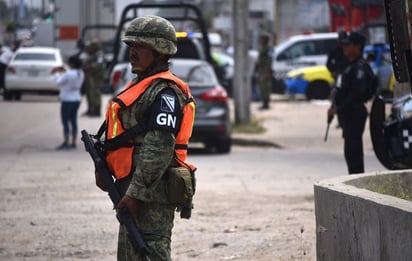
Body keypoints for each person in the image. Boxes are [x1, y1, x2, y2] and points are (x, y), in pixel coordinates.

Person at [94, 15, 196, 260]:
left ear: (161, 51)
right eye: (131, 46)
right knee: (130, 253)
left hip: (152, 194)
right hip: (132, 189)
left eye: (140, 46)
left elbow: (159, 148)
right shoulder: (141, 86)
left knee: (149, 252)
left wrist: (135, 194)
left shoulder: (165, 93)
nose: (133, 52)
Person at [327, 31, 373, 174]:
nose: (345, 48)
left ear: (357, 47)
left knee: (354, 154)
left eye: (349, 45)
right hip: (347, 115)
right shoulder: (349, 66)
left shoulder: (359, 68)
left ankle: (357, 188)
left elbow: (355, 95)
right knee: (350, 153)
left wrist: (338, 109)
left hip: (354, 113)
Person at [52, 55, 84, 150]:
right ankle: (73, 141)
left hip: (67, 99)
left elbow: (59, 82)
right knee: (73, 120)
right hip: (77, 98)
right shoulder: (80, 73)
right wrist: (64, 71)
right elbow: (69, 75)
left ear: (72, 64)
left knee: (65, 120)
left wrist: (56, 73)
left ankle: (66, 141)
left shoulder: (69, 74)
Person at [82, 40, 105, 117]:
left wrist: (90, 66)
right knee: (89, 92)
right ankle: (90, 109)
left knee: (95, 92)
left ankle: (96, 110)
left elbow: (100, 64)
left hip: (96, 76)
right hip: (89, 76)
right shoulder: (90, 54)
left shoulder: (99, 54)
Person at [255, 32, 273, 110]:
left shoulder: (268, 49)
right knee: (262, 86)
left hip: (265, 70)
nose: (260, 41)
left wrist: (267, 70)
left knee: (266, 87)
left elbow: (269, 60)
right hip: (261, 70)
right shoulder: (262, 48)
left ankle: (266, 103)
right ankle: (263, 102)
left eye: (261, 39)